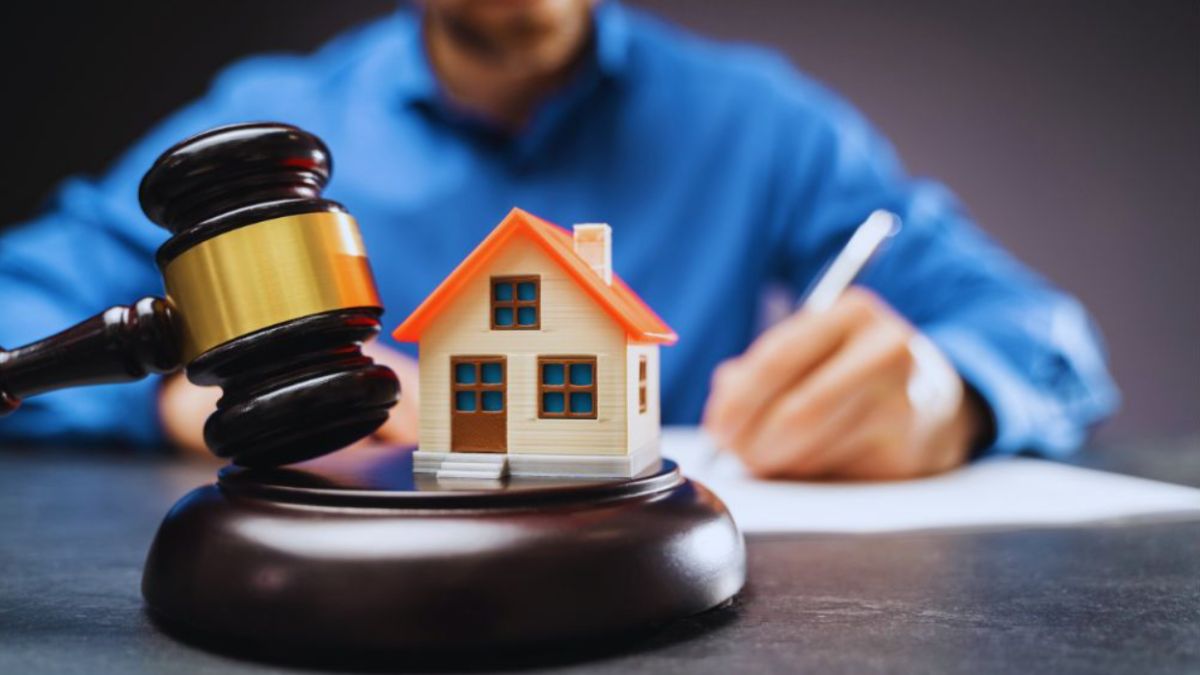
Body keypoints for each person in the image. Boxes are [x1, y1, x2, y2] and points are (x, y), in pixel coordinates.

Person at [0, 0, 1117, 479]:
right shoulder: (265, 128)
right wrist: (192, 392)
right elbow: (20, 304)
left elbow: (1039, 330)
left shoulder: (764, 123)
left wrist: (950, 393)